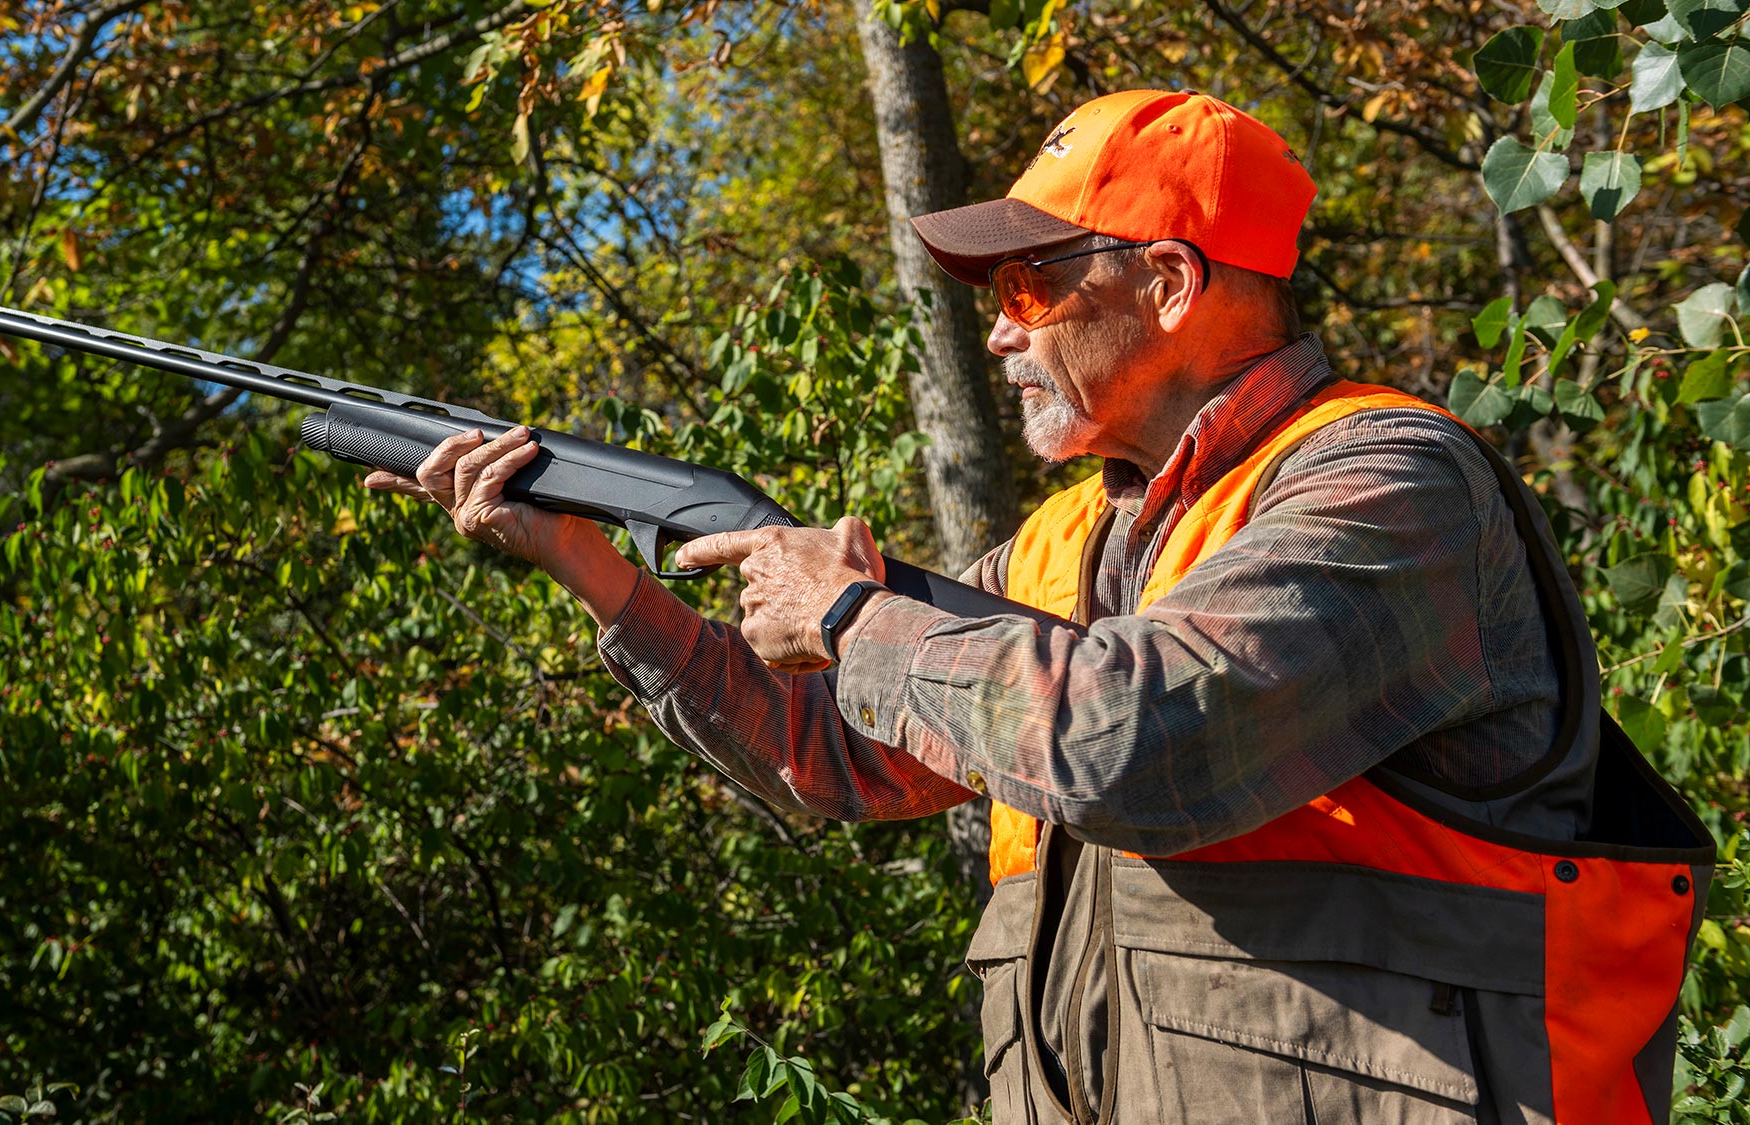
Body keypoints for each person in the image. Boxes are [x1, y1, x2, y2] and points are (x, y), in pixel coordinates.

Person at [364, 89, 1712, 1124]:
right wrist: (593, 564)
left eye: (1030, 284)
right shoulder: (1071, 544)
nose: (1000, 331)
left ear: (1174, 285)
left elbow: (1140, 741)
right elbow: (834, 753)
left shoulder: (1386, 486)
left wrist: (852, 616)